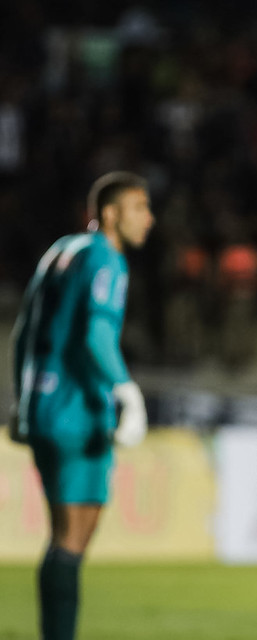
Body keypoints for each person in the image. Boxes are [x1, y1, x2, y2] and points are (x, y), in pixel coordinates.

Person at [8, 170, 155, 640]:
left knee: (62, 538)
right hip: (78, 410)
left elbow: (22, 332)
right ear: (109, 214)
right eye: (139, 208)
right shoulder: (106, 260)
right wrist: (127, 392)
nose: (149, 219)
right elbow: (95, 335)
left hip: (43, 405)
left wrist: (21, 399)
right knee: (71, 541)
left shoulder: (60, 251)